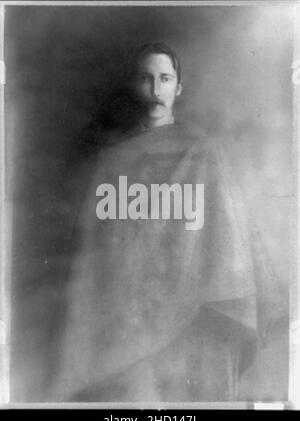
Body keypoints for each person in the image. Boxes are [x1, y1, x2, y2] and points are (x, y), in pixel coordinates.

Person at [47, 42, 285, 402]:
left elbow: (229, 241)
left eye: (165, 78)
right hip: (131, 320)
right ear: (135, 86)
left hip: (195, 319)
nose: (156, 90)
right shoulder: (114, 161)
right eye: (147, 79)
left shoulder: (204, 153)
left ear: (179, 87)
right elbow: (93, 254)